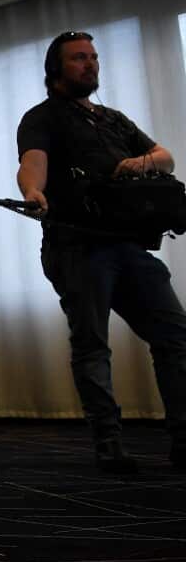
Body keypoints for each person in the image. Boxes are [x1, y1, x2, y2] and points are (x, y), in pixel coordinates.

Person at [16, 30, 186, 473]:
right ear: (56, 69)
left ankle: (183, 439)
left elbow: (165, 156)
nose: (90, 64)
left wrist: (144, 161)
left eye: (93, 57)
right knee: (92, 346)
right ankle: (109, 445)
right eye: (78, 58)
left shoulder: (113, 120)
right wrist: (33, 191)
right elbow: (32, 164)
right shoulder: (42, 118)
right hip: (77, 246)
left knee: (175, 338)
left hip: (129, 246)